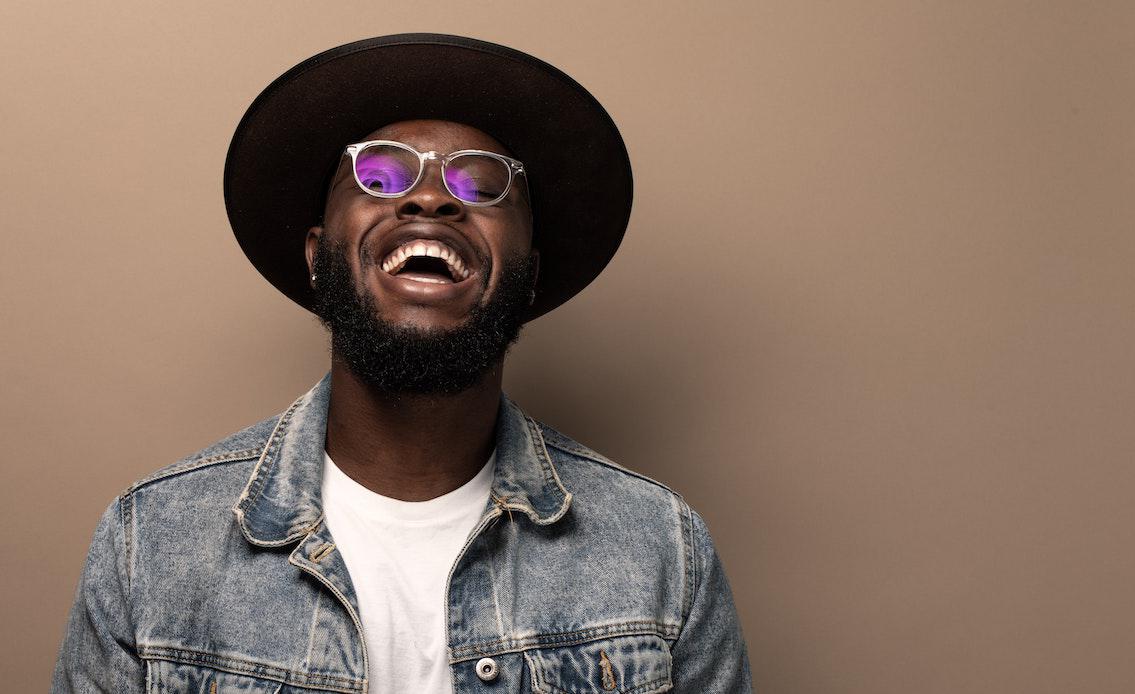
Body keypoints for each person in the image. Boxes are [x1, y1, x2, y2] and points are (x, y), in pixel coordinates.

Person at [51, 34, 752, 693]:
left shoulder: (662, 549)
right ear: (318, 259)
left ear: (529, 276)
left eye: (481, 186)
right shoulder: (152, 543)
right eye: (380, 176)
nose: (430, 197)